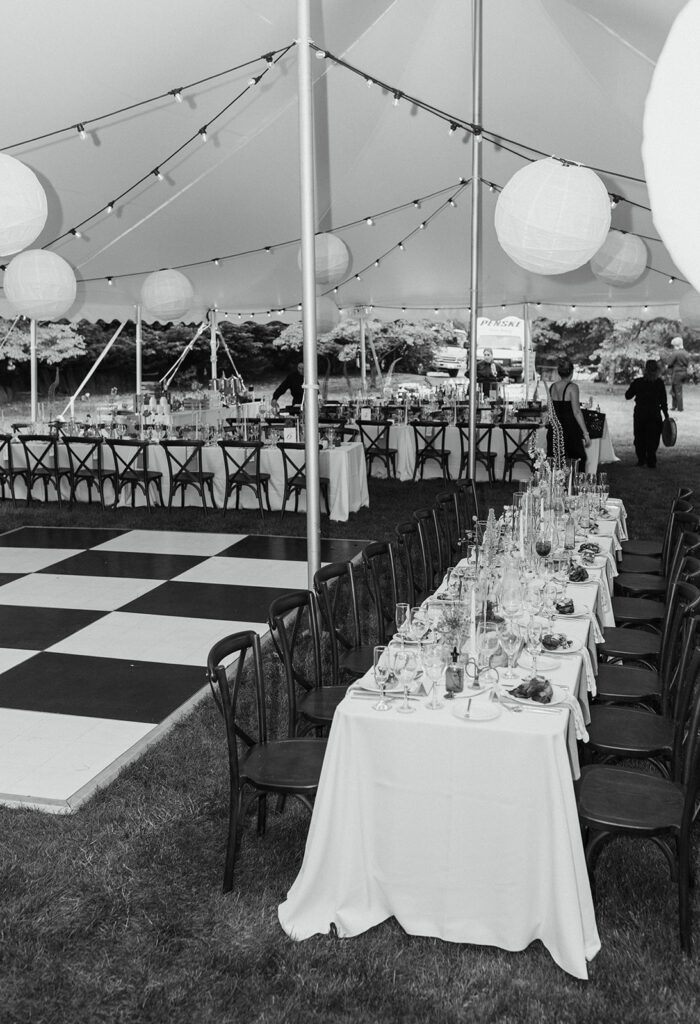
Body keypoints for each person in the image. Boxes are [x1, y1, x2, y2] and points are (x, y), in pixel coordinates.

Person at [546, 357, 590, 472]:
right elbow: (576, 411)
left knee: (556, 461)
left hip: (554, 428)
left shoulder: (552, 387)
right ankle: (575, 486)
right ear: (571, 372)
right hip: (569, 429)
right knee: (579, 459)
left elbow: (550, 409)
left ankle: (557, 486)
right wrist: (586, 433)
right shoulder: (572, 387)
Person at [625, 359, 669, 469]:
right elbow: (663, 401)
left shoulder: (638, 382)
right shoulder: (659, 383)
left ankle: (641, 459)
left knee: (639, 437)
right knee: (653, 439)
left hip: (640, 414)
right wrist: (666, 415)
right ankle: (651, 460)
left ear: (645, 370)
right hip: (654, 414)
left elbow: (627, 396)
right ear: (657, 370)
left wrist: (634, 386)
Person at [666, 336, 690, 412]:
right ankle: (674, 406)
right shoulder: (686, 353)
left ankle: (680, 408)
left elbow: (669, 363)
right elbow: (687, 363)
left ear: (676, 345)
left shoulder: (675, 353)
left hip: (677, 373)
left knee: (677, 390)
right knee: (675, 389)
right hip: (684, 372)